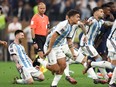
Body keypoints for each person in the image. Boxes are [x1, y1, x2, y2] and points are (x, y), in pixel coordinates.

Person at [37, 9, 87, 87]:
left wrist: (73, 52)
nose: (79, 19)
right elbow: (54, 36)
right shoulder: (64, 25)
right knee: (56, 69)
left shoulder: (71, 26)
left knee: (63, 66)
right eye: (77, 17)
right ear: (71, 17)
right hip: (50, 47)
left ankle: (54, 85)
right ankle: (41, 61)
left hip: (58, 47)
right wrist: (49, 49)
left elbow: (69, 40)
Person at [80, 7, 113, 82]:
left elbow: (107, 23)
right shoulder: (92, 19)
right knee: (99, 59)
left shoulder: (100, 21)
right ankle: (90, 64)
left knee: (99, 61)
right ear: (95, 12)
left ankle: (106, 78)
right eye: (101, 11)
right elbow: (86, 23)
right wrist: (85, 25)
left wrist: (114, 24)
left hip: (91, 44)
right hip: (86, 44)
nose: (103, 13)